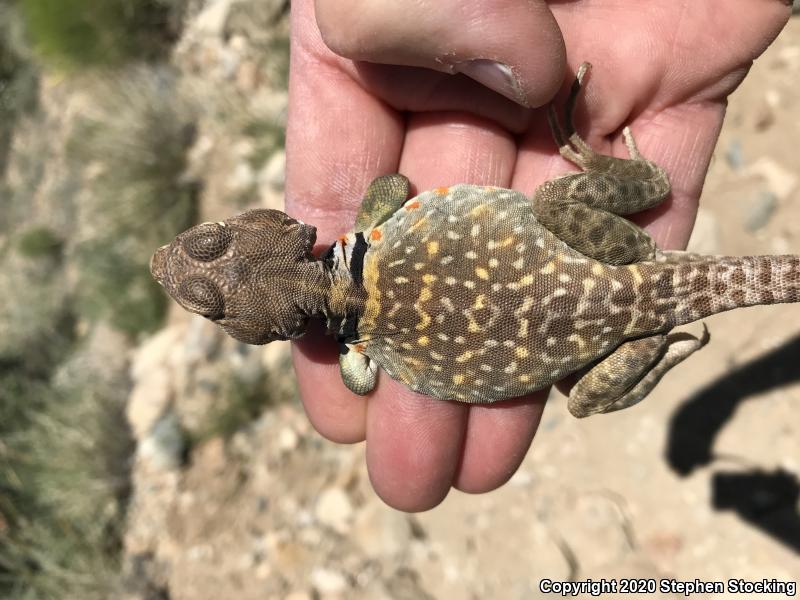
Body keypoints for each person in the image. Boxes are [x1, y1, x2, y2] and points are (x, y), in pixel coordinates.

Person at [284, 0, 792, 512]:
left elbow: (361, 379)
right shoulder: (364, 236)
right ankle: (648, 184)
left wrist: (655, 354)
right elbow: (390, 186)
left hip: (623, 335)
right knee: (555, 200)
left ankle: (663, 348)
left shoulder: (355, 351)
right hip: (616, 256)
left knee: (583, 399)